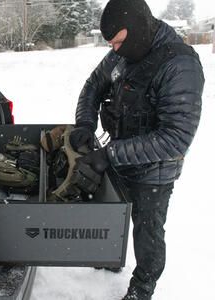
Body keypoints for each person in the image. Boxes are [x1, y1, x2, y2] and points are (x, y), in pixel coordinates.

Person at [69, 0, 205, 299]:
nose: (114, 49)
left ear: (138, 30)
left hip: (153, 171)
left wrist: (109, 154)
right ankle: (110, 258)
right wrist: (85, 123)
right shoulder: (124, 53)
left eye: (118, 42)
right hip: (119, 156)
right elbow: (94, 85)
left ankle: (142, 287)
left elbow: (175, 138)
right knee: (112, 215)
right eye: (110, 43)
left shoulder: (180, 65)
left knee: (148, 232)